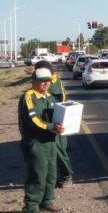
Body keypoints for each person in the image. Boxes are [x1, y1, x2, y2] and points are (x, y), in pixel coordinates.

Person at [18, 67, 65, 213]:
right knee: (37, 175)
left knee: (51, 174)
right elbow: (33, 120)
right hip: (35, 142)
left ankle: (47, 201)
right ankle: (31, 207)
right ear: (34, 82)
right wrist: (52, 127)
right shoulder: (29, 96)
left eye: (48, 81)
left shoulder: (50, 96)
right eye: (42, 81)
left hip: (50, 141)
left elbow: (62, 104)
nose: (45, 83)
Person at [35, 60, 73, 188]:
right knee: (47, 154)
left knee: (59, 152)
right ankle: (51, 178)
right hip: (45, 123)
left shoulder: (55, 82)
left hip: (57, 123)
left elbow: (58, 95)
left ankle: (66, 175)